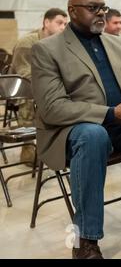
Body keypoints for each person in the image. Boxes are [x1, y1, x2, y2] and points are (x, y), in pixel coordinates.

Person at [31, 0, 121, 259]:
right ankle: (86, 240)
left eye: (103, 6)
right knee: (93, 135)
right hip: (71, 133)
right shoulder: (47, 49)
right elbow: (53, 108)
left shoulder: (118, 42)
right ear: (72, 11)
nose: (101, 12)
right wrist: (111, 113)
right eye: (93, 8)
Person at [10, 8, 68, 165]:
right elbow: (25, 74)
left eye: (65, 23)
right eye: (59, 23)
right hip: (20, 91)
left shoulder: (60, 43)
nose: (63, 27)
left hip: (46, 87)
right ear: (46, 22)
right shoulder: (27, 42)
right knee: (32, 96)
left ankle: (60, 145)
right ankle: (28, 151)